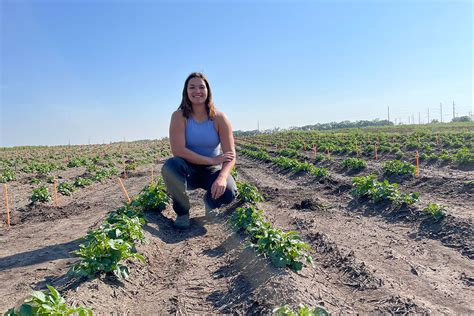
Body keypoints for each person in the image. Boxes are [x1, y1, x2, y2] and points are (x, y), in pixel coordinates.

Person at [161, 72, 237, 228]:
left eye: (201, 87)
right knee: (171, 166)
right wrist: (211, 159)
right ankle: (182, 212)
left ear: (208, 91)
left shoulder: (220, 118)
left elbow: (231, 155)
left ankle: (210, 204)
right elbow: (179, 151)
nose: (197, 91)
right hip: (188, 170)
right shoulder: (178, 116)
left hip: (211, 171)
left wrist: (222, 177)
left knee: (229, 190)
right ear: (186, 92)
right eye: (192, 87)